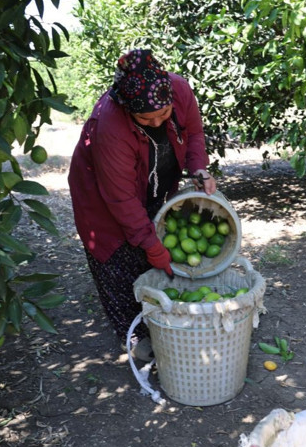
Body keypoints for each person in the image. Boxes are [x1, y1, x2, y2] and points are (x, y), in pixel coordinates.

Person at [68, 49, 217, 360]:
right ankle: (132, 332)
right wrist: (153, 247)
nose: (157, 121)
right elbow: (120, 199)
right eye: (146, 118)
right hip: (101, 196)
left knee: (148, 246)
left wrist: (199, 167)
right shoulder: (109, 125)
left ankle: (157, 318)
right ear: (127, 109)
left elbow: (195, 135)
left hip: (145, 184)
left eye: (163, 114)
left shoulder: (179, 90)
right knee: (118, 261)